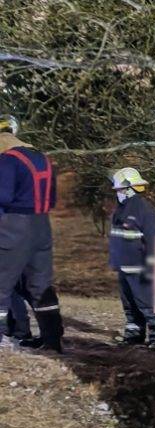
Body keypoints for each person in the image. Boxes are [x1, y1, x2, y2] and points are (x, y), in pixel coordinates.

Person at [0, 114, 63, 352]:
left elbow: (3, 196)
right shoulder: (42, 158)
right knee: (41, 286)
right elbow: (53, 198)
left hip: (14, 226)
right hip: (42, 226)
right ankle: (52, 340)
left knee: (1, 284)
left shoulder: (8, 160)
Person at [109, 167, 155, 349]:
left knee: (147, 304)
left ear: (129, 188)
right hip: (124, 268)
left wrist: (152, 268)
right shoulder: (121, 210)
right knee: (130, 306)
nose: (118, 193)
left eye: (120, 189)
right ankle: (133, 335)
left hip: (140, 269)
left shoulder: (144, 210)